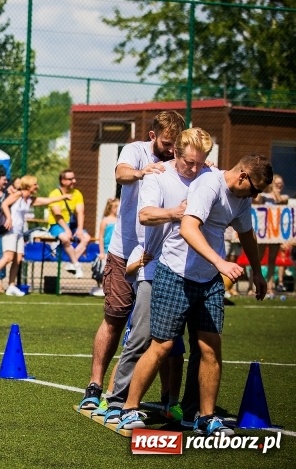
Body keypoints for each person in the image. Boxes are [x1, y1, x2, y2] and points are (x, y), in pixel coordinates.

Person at [119, 153, 273, 436]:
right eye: (255, 189)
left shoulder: (242, 198)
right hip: (175, 273)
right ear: (242, 176)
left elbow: (247, 234)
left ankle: (206, 416)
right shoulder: (209, 185)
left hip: (208, 279)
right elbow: (189, 228)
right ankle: (129, 409)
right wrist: (220, 263)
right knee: (162, 346)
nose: (255, 195)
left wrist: (258, 272)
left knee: (210, 347)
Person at [99, 128, 214, 427]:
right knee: (141, 338)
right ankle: (117, 401)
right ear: (176, 153)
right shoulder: (158, 176)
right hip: (153, 269)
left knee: (185, 349)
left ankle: (182, 409)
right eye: (189, 162)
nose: (194, 168)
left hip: (192, 274)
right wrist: (176, 212)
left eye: (200, 163)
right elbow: (145, 215)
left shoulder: (207, 176)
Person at [78, 110, 185, 411]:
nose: (170, 148)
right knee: (114, 319)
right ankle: (95, 386)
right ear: (153, 136)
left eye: (175, 143)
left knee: (163, 330)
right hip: (124, 252)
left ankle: (168, 400)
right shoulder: (136, 150)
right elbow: (121, 173)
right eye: (166, 142)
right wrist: (143, 172)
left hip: (159, 258)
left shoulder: (179, 160)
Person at [0, 175, 70, 296]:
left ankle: (11, 286)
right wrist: (8, 218)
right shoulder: (19, 195)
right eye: (35, 184)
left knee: (18, 259)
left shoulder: (30, 199)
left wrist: (63, 197)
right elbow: (4, 204)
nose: (37, 186)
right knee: (8, 257)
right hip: (10, 231)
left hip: (19, 232)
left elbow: (47, 201)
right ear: (28, 185)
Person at [47, 169, 91, 279]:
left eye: (74, 178)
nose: (74, 181)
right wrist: (67, 229)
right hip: (57, 224)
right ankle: (77, 265)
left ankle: (71, 263)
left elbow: (80, 212)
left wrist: (80, 229)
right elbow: (57, 215)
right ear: (63, 181)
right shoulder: (54, 194)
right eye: (71, 179)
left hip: (73, 224)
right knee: (65, 238)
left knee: (86, 238)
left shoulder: (77, 193)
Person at [254, 174, 289, 297]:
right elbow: (256, 201)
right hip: (263, 232)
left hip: (275, 233)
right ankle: (253, 286)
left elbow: (280, 200)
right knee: (258, 258)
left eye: (281, 183)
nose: (280, 185)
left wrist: (275, 191)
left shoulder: (285, 196)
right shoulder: (264, 197)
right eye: (277, 183)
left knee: (272, 260)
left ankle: (270, 286)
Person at [91, 198, 119, 297]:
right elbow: (101, 237)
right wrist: (102, 251)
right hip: (107, 249)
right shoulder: (105, 220)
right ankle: (103, 288)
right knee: (104, 271)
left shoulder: (120, 220)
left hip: (117, 249)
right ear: (111, 208)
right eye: (116, 207)